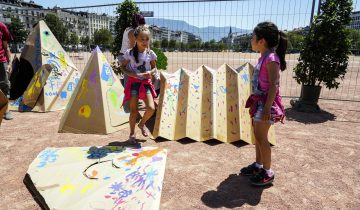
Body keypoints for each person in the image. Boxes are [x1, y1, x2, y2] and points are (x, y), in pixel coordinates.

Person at [240, 22, 287, 186]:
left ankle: (268, 172)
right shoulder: (263, 57)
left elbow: (274, 85)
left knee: (262, 137)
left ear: (262, 41)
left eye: (253, 37)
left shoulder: (272, 58)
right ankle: (258, 166)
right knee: (257, 136)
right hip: (259, 103)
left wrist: (267, 107)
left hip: (266, 105)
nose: (251, 40)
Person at [120, 25, 158, 142]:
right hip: (133, 84)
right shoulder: (129, 53)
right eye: (142, 39)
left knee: (151, 108)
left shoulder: (150, 54)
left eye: (147, 39)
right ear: (135, 39)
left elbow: (154, 68)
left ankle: (141, 124)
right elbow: (122, 67)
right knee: (134, 111)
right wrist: (132, 74)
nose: (145, 42)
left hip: (145, 83)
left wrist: (149, 73)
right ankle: (132, 134)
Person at [0, 21, 13, 120]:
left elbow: (6, 46)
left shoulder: (1, 26)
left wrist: (9, 63)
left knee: (5, 85)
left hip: (1, 61)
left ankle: (6, 110)